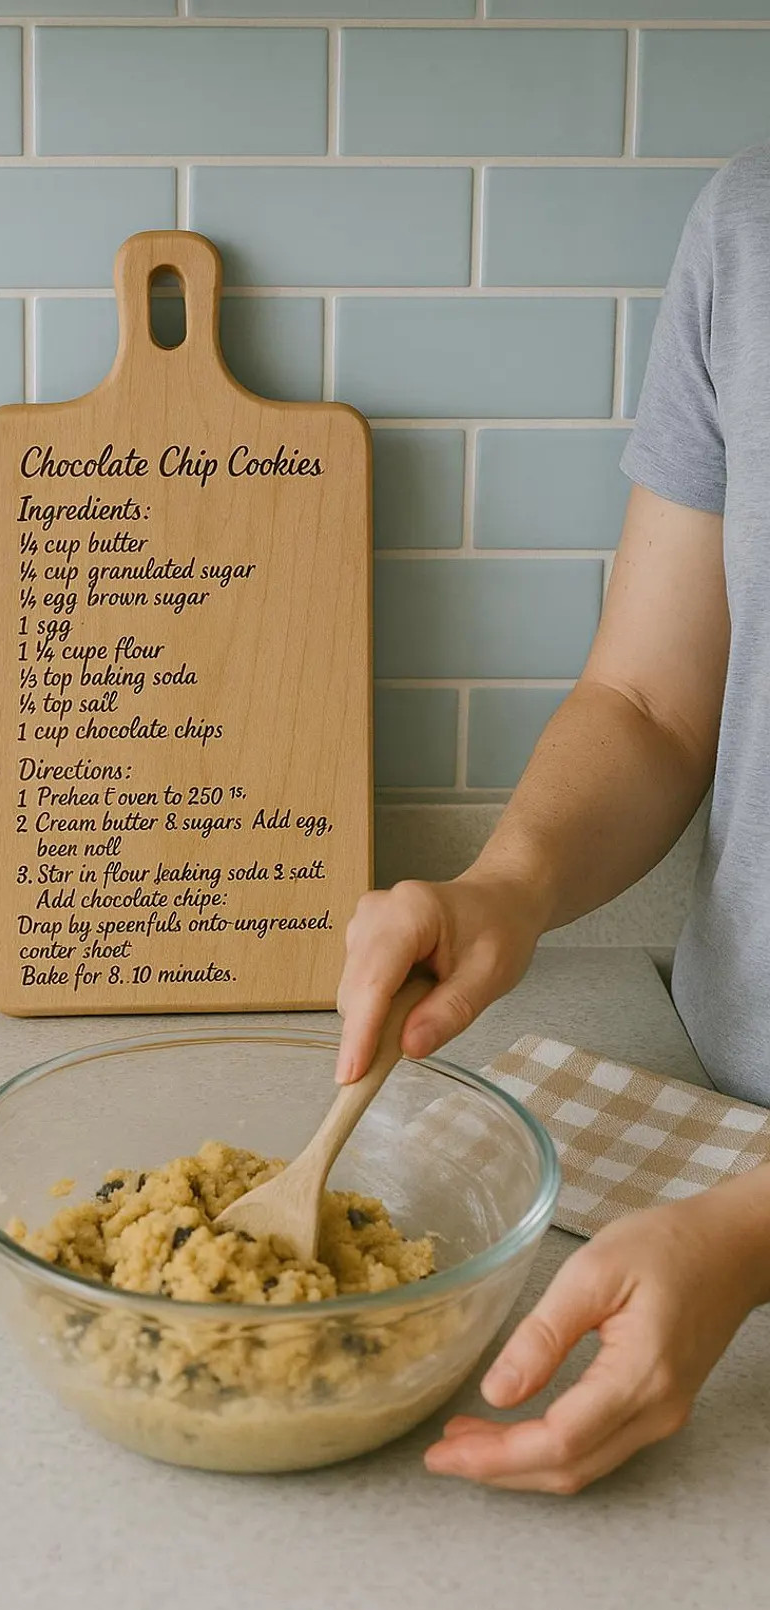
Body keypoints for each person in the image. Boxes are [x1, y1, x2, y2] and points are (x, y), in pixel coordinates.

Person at [335, 144, 770, 1495]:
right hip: (725, 1102)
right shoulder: (752, 221)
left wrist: (746, 1242)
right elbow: (651, 696)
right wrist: (508, 884)